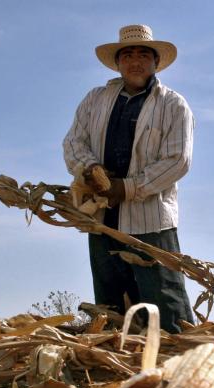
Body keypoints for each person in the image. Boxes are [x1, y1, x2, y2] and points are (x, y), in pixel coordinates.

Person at [63, 24, 195, 333]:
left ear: (155, 63)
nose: (135, 62)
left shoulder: (173, 105)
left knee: (166, 309)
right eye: (128, 55)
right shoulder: (95, 100)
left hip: (151, 223)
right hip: (101, 219)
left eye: (143, 55)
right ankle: (121, 370)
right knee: (112, 312)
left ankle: (175, 368)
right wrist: (90, 169)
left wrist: (129, 187)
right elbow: (73, 143)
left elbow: (178, 161)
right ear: (118, 62)